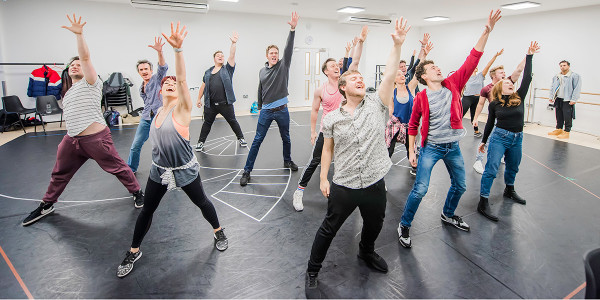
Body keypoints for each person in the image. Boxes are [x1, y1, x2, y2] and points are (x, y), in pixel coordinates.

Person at [304, 18, 410, 298]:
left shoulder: (376, 103)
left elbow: (388, 75)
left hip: (375, 182)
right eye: (353, 78)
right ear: (343, 88)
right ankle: (312, 270)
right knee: (329, 229)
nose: (360, 79)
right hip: (345, 185)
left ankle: (366, 251)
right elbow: (327, 149)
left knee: (375, 223)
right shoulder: (333, 119)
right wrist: (324, 177)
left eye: (361, 77)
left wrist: (397, 45)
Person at [117, 22, 228, 278]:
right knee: (147, 210)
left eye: (173, 84)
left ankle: (218, 230)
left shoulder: (182, 109)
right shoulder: (155, 112)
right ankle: (134, 250)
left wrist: (177, 52)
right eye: (165, 83)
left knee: (202, 202)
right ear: (159, 90)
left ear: (178, 92)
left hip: (185, 170)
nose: (169, 84)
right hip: (159, 171)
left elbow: (182, 77)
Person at [22, 14, 144, 226]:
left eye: (78, 64)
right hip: (72, 140)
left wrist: (79, 36)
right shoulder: (67, 92)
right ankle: (47, 203)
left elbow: (86, 58)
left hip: (95, 139)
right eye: (72, 65)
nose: (75, 66)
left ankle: (137, 192)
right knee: (59, 173)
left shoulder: (91, 82)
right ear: (68, 71)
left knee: (117, 167)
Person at [397, 10, 502, 249]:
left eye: (437, 67)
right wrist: (412, 152)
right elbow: (413, 126)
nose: (438, 69)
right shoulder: (421, 97)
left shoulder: (453, 84)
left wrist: (487, 31)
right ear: (423, 76)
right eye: (432, 68)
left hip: (452, 147)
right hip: (431, 148)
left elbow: (473, 59)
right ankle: (404, 224)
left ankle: (448, 213)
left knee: (461, 185)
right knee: (421, 189)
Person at [292, 26, 367, 212]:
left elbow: (355, 61)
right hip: (328, 131)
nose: (336, 67)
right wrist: (312, 131)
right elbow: (315, 111)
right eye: (332, 66)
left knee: (351, 160)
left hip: (346, 130)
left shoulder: (345, 84)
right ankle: (299, 191)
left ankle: (356, 192)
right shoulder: (320, 90)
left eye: (337, 65)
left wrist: (361, 42)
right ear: (325, 71)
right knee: (315, 160)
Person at [477, 42, 539, 221]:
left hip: (517, 138)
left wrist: (529, 56)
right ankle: (483, 201)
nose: (510, 83)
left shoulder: (519, 97)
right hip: (499, 138)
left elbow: (526, 77)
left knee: (514, 166)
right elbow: (489, 123)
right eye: (506, 83)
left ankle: (509, 190)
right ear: (500, 88)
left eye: (510, 82)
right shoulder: (495, 103)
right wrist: (483, 141)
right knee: (492, 169)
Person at [240, 12, 300, 186]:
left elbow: (288, 48)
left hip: (282, 110)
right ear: (267, 55)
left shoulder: (283, 65)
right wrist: (259, 106)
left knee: (286, 137)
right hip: (266, 111)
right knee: (257, 140)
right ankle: (247, 170)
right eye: (271, 53)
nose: (274, 55)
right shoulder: (262, 71)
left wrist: (292, 29)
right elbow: (260, 88)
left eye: (276, 53)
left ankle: (287, 160)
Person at [386, 33, 433, 176]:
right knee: (389, 150)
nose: (402, 76)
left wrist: (423, 54)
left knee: (410, 148)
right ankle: (381, 174)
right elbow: (391, 110)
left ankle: (414, 167)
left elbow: (418, 73)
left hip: (409, 126)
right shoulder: (391, 92)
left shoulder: (410, 87)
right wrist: (396, 122)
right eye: (398, 74)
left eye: (402, 74)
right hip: (395, 125)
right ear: (394, 78)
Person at [471, 52, 526, 174]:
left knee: (503, 140)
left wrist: (528, 56)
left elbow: (518, 70)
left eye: (504, 72)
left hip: (507, 119)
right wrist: (475, 118)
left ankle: (501, 156)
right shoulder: (486, 89)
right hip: (496, 117)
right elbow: (480, 104)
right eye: (501, 73)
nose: (505, 74)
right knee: (487, 139)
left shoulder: (508, 82)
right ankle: (478, 161)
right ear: (493, 75)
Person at [195, 32, 246, 150]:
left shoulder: (227, 69)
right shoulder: (207, 72)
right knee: (207, 123)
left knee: (233, 121)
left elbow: (232, 56)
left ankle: (241, 138)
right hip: (210, 105)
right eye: (218, 55)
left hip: (225, 104)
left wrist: (233, 43)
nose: (221, 56)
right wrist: (198, 98)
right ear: (214, 58)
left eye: (222, 55)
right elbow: (203, 86)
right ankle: (200, 142)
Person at [127, 37, 168, 175]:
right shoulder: (140, 88)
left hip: (159, 118)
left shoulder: (157, 79)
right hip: (145, 118)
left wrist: (160, 52)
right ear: (138, 72)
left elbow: (163, 67)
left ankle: (168, 168)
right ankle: (131, 169)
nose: (144, 71)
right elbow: (147, 104)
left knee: (162, 146)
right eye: (141, 70)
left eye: (146, 69)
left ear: (151, 70)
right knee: (135, 145)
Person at [461, 49, 503, 137]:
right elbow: (462, 88)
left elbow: (488, 65)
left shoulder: (481, 76)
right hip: (467, 98)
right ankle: (453, 129)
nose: (475, 67)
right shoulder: (466, 77)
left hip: (478, 98)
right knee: (460, 114)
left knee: (474, 115)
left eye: (476, 66)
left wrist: (495, 56)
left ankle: (476, 131)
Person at [548, 60, 582, 139]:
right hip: (558, 99)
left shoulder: (574, 76)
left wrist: (574, 99)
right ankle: (559, 129)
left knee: (567, 116)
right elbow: (552, 87)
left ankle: (567, 132)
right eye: (561, 66)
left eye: (564, 65)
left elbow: (577, 88)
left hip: (567, 100)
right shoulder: (556, 76)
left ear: (568, 66)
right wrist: (551, 97)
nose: (562, 67)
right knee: (558, 115)